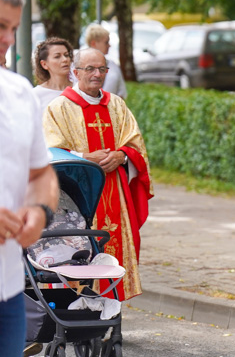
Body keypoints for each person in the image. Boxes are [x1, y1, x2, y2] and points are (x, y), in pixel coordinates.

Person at [0, 0, 59, 357]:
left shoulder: (19, 93)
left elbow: (43, 175)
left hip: (6, 293)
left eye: (12, 29)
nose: (6, 40)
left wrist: (38, 214)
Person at [42, 48, 152, 301]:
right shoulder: (59, 107)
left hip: (115, 193)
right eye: (89, 69)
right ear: (76, 72)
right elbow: (50, 151)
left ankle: (113, 314)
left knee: (118, 247)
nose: (96, 75)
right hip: (78, 194)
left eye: (102, 69)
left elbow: (135, 144)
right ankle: (76, 309)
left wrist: (122, 156)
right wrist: (83, 157)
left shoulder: (116, 105)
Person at [83, 23, 127, 99]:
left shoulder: (113, 65)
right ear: (93, 43)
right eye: (106, 42)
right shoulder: (79, 66)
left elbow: (121, 93)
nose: (109, 45)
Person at [32, 37, 74, 109]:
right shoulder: (36, 95)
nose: (65, 59)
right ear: (44, 64)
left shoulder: (80, 89)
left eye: (66, 55)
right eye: (57, 56)